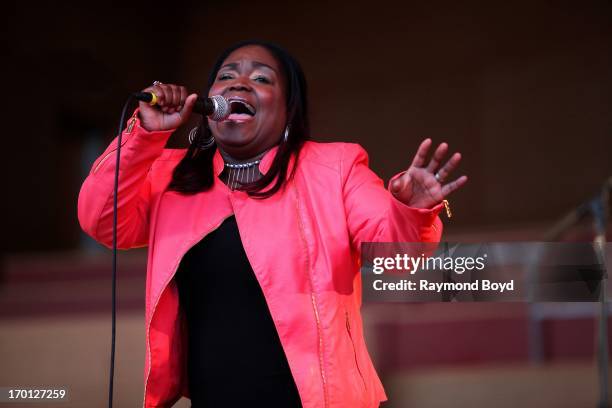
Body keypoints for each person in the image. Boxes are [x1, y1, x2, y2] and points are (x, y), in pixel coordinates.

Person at [78, 40, 467, 408]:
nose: (240, 83)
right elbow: (102, 222)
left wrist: (411, 211)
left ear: (288, 109)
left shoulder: (335, 168)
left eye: (262, 78)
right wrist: (145, 135)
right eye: (227, 76)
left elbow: (396, 255)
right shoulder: (173, 177)